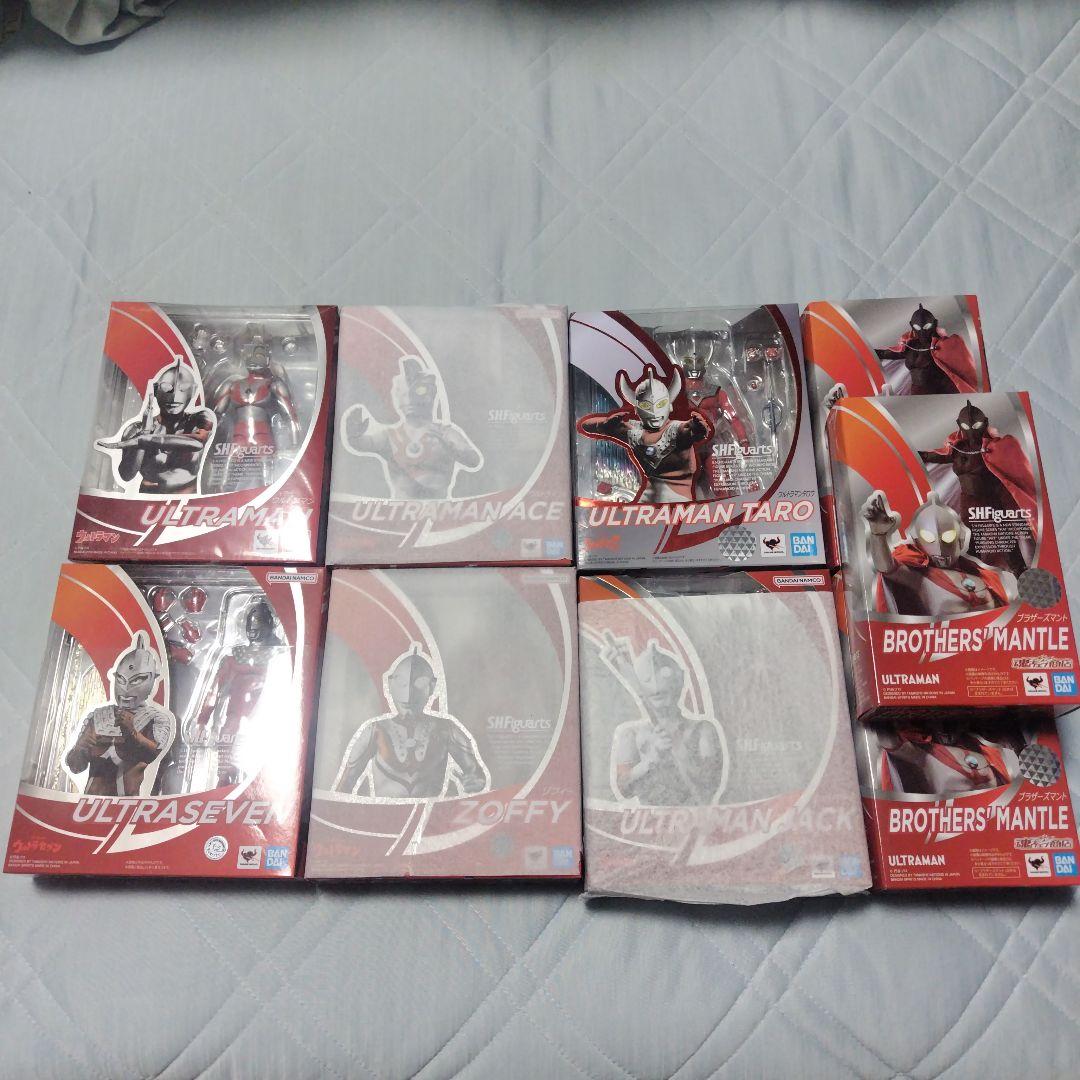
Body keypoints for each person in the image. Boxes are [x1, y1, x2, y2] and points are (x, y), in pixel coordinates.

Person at [333, 646, 490, 799]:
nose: (408, 695)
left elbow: (476, 776)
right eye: (401, 683)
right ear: (390, 684)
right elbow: (344, 786)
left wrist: (475, 784)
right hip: (383, 814)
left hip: (432, 814)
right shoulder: (375, 731)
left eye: (419, 683)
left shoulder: (446, 729)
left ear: (432, 686)